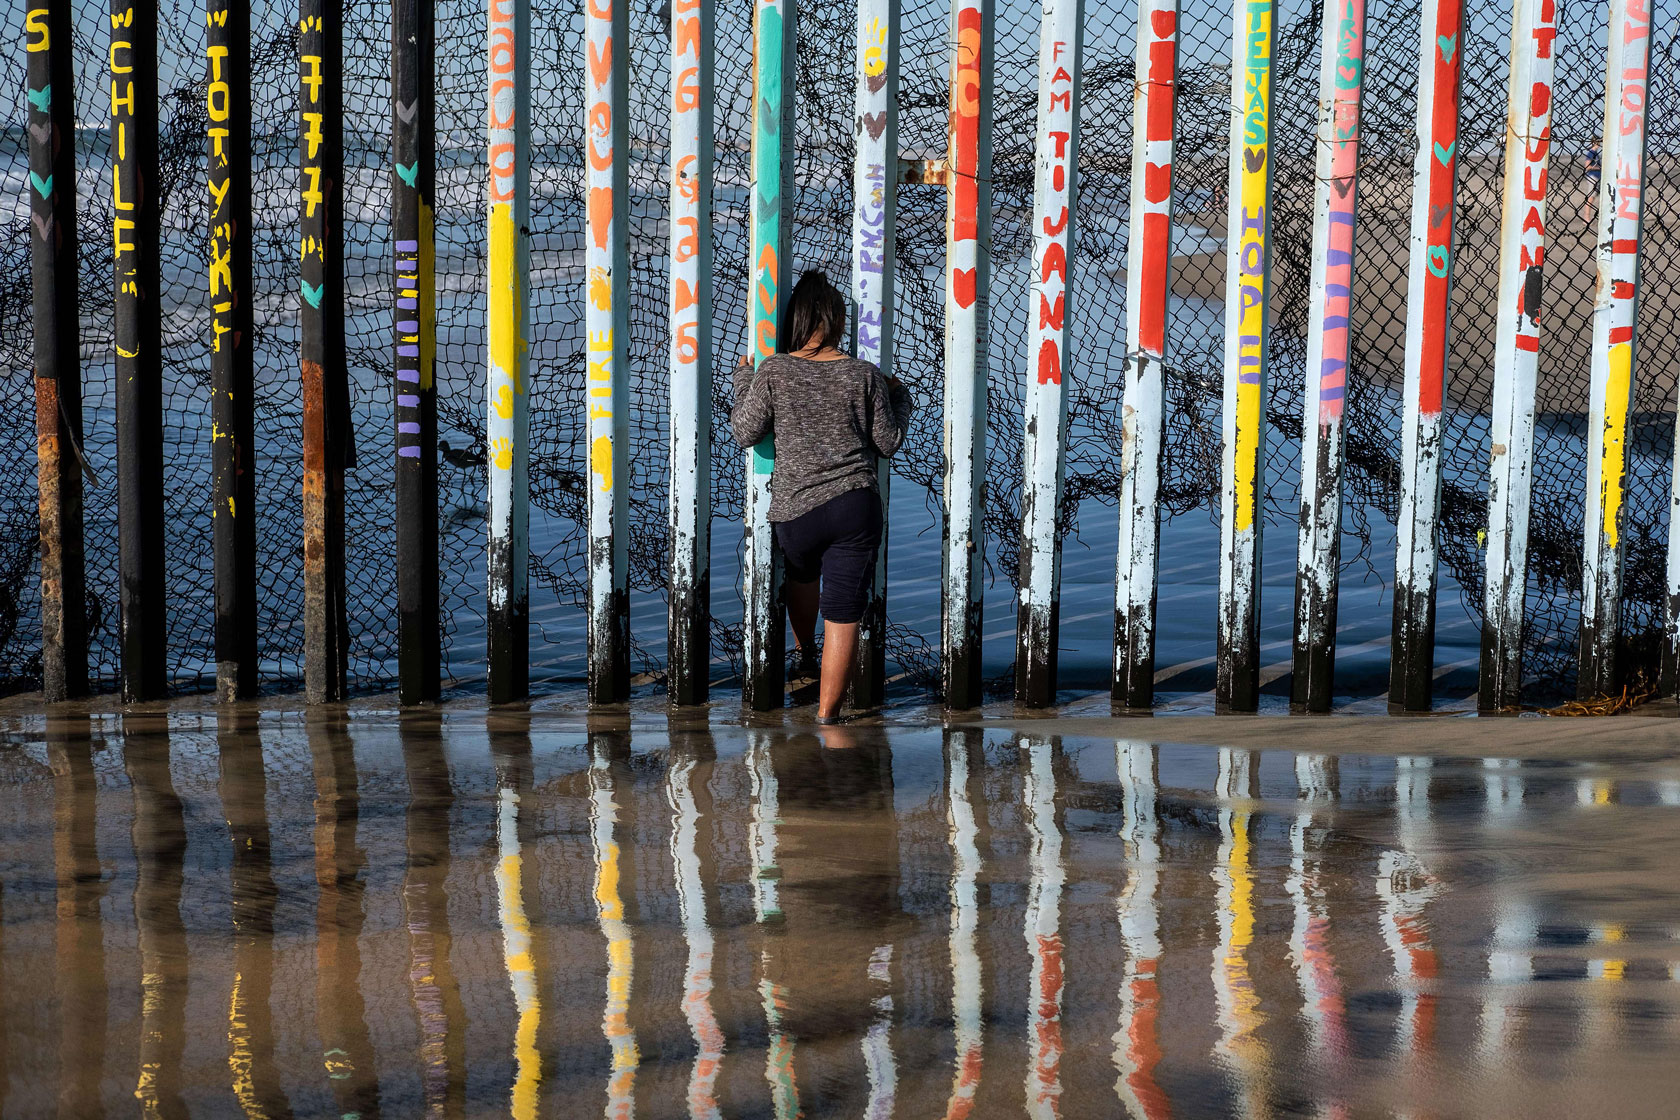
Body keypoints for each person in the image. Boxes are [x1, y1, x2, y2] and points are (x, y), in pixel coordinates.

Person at [730, 271, 916, 723]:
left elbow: (744, 431)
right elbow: (888, 443)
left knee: (801, 574)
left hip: (797, 510)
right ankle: (827, 717)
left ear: (795, 320)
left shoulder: (774, 371)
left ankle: (803, 651)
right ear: (836, 322)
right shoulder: (863, 374)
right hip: (855, 503)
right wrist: (901, 397)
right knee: (844, 612)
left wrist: (742, 378)